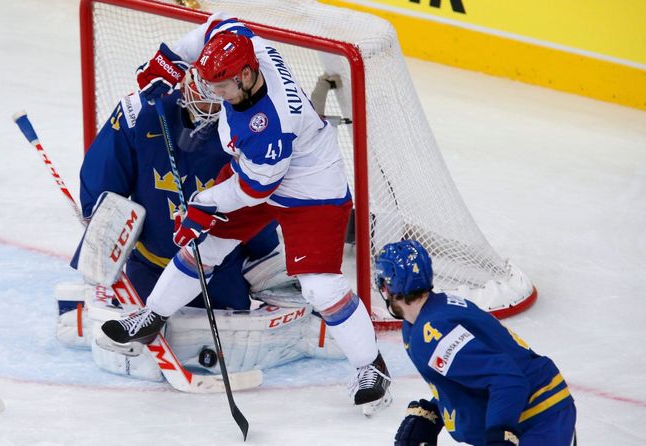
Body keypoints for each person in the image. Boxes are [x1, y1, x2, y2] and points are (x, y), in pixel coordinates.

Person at [99, 13, 391, 414]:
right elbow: (218, 23)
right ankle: (152, 315)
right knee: (204, 246)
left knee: (320, 288)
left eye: (221, 85)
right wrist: (168, 59)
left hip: (311, 192)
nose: (214, 92)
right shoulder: (242, 44)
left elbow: (255, 190)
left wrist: (204, 204)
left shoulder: (271, 123)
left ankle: (370, 366)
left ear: (247, 76)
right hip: (252, 170)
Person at [78, 68, 280, 311]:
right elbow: (104, 179)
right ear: (186, 79)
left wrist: (265, 257)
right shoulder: (139, 111)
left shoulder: (254, 126)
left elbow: (259, 197)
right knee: (132, 336)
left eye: (222, 87)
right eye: (207, 86)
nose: (213, 98)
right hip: (148, 268)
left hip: (221, 271)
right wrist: (98, 222)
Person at [374, 240, 577, 446]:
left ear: (387, 287)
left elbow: (507, 379)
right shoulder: (431, 315)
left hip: (540, 419)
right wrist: (435, 411)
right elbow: (471, 372)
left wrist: (500, 435)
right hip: (531, 412)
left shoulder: (431, 333)